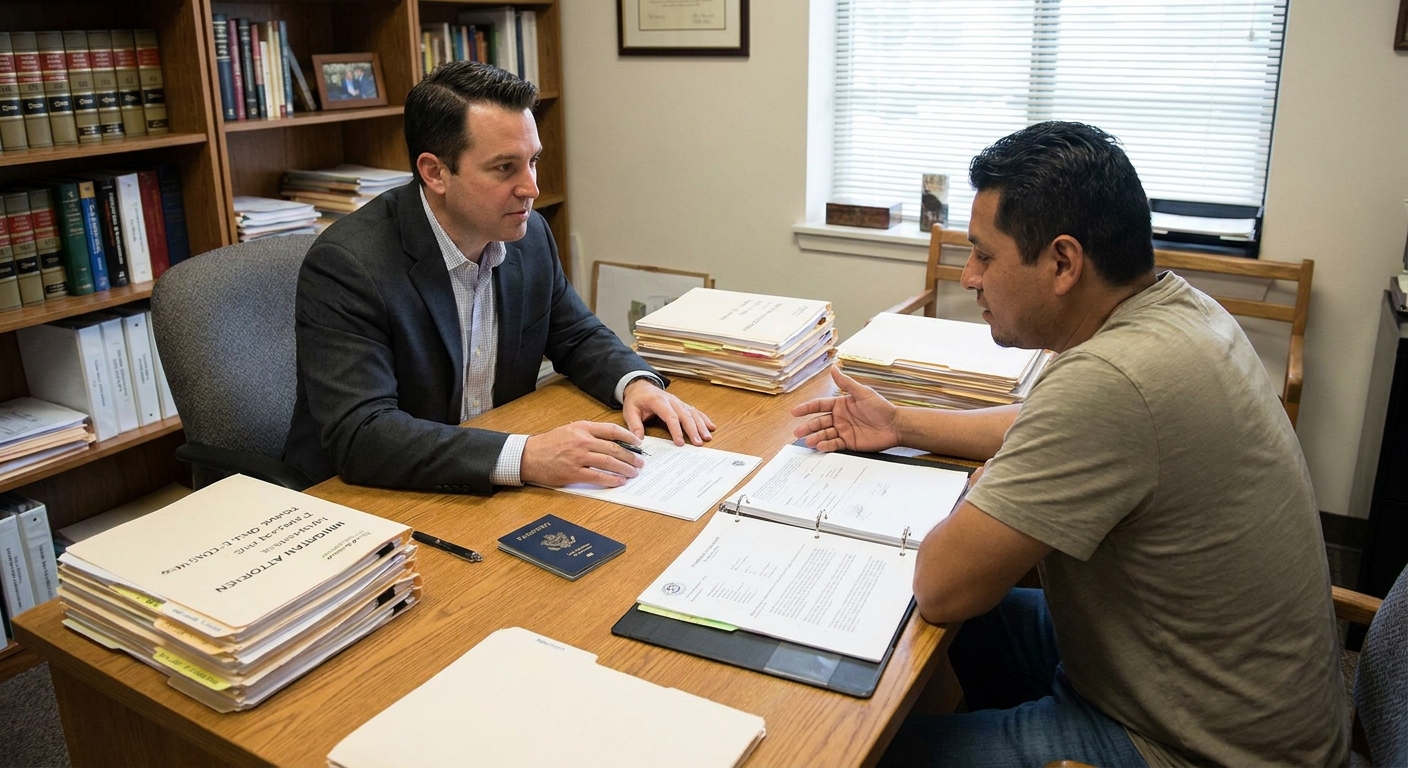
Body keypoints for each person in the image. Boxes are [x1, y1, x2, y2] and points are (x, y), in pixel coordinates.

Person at [792, 121, 1347, 767]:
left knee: (840, 750)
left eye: (984, 255)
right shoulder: (1175, 311)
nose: (969, 277)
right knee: (949, 632)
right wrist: (903, 425)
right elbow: (1041, 425)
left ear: (1062, 262)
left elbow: (944, 585)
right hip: (1222, 685)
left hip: (1198, 745)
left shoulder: (1112, 380)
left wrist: (986, 491)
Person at [283, 61, 714, 494]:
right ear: (434, 172)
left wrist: (634, 383)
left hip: (486, 482)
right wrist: (527, 457)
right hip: (362, 498)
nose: (531, 188)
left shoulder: (527, 235)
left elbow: (576, 335)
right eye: (505, 168)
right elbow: (363, 436)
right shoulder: (348, 265)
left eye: (533, 161)